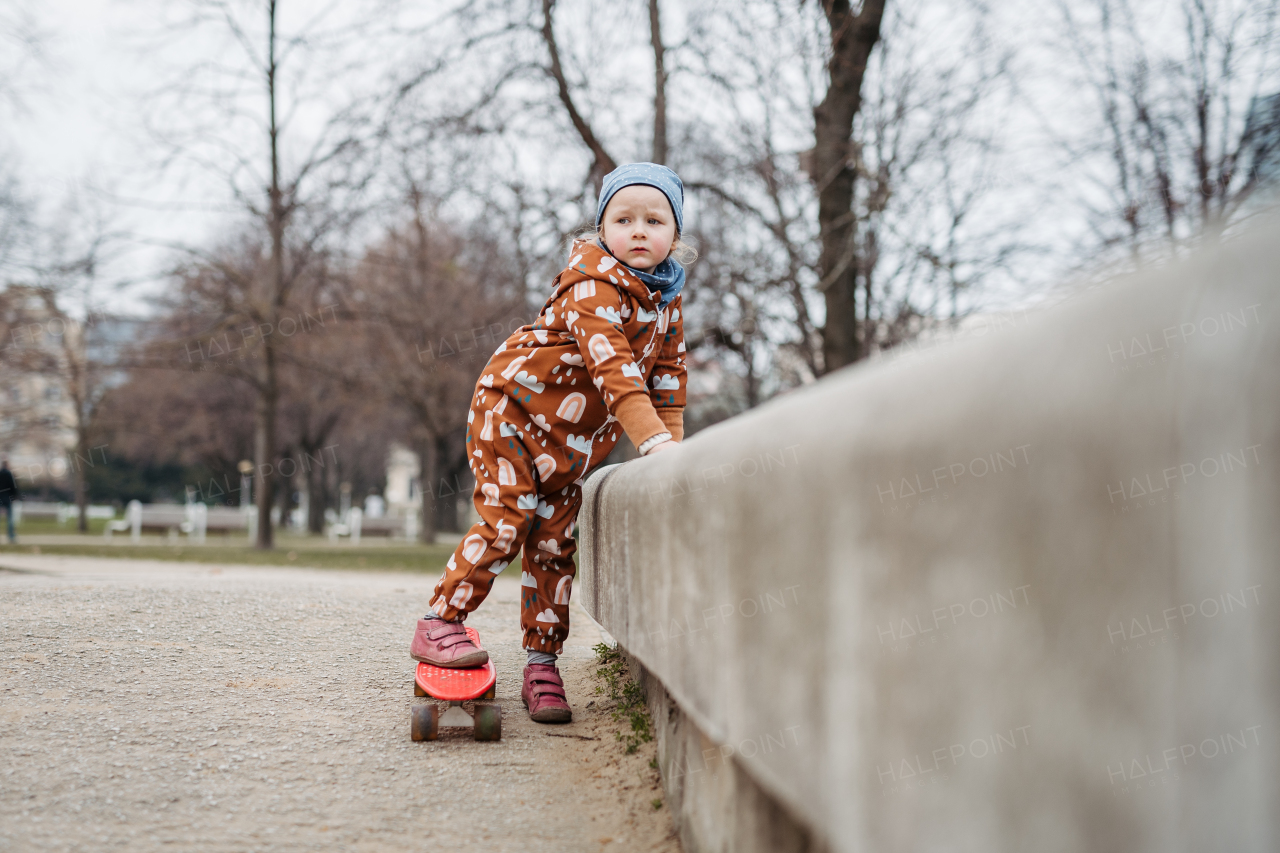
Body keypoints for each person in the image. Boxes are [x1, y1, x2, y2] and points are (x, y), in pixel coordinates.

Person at [410, 163, 692, 723]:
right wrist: (653, 442)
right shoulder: (592, 285)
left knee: (555, 544)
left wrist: (671, 452)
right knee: (509, 517)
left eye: (654, 220)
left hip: (570, 443)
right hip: (511, 412)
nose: (639, 231)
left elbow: (668, 381)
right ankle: (441, 620)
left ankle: (541, 664)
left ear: (674, 236)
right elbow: (615, 371)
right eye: (624, 218)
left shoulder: (666, 303)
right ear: (601, 229)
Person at [0, 457, 20, 544]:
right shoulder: (9, 474)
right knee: (10, 518)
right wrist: (15, 496)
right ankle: (11, 536)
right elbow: (13, 486)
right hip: (8, 498)